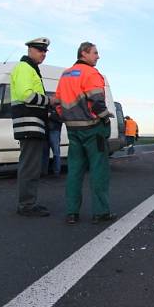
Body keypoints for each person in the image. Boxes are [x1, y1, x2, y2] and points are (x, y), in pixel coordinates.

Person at [56, 42, 114, 225]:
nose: (98, 56)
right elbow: (97, 102)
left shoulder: (65, 74)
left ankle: (72, 213)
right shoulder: (91, 73)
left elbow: (57, 102)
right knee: (98, 171)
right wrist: (105, 117)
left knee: (74, 171)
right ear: (84, 53)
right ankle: (100, 212)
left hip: (72, 129)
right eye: (95, 53)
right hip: (92, 129)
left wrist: (66, 117)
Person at [10, 37, 53, 217]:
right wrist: (50, 100)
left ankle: (29, 202)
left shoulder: (31, 69)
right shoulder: (25, 68)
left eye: (44, 51)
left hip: (33, 125)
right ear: (30, 50)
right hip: (29, 124)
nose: (43, 54)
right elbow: (27, 95)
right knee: (29, 166)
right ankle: (26, 205)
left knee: (32, 166)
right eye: (39, 50)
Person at [42, 103, 62, 176]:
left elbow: (61, 118)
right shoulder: (46, 107)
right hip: (47, 131)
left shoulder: (58, 107)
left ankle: (56, 171)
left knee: (55, 153)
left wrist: (51, 115)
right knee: (45, 153)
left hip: (54, 131)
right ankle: (44, 172)